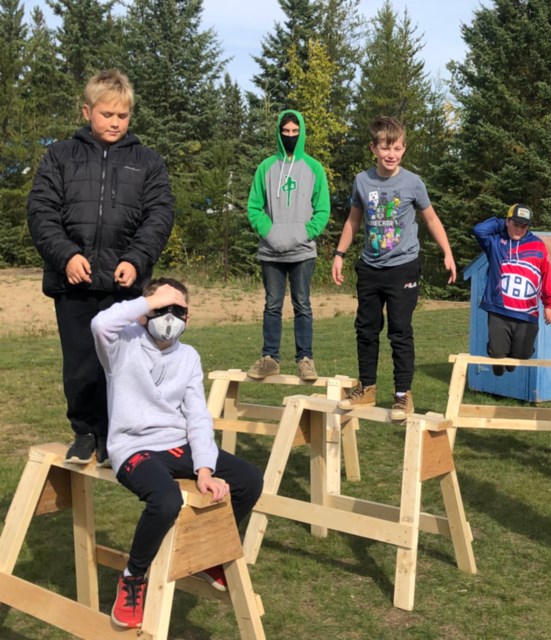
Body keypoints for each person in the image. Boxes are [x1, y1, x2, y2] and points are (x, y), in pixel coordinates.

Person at [91, 277, 264, 629]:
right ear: (143, 314)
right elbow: (99, 323)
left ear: (189, 315)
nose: (170, 316)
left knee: (248, 480)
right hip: (133, 446)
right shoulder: (121, 343)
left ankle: (206, 557)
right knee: (166, 501)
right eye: (161, 309)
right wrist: (148, 302)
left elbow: (198, 415)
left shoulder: (188, 356)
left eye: (178, 309)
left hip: (177, 443)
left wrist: (204, 467)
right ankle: (133, 577)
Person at [27, 69, 174, 467]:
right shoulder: (60, 156)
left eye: (122, 116)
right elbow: (41, 212)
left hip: (122, 288)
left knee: (123, 366)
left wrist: (135, 260)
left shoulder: (148, 162)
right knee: (80, 366)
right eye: (107, 114)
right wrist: (66, 256)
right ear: (87, 111)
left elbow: (159, 216)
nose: (114, 122)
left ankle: (115, 437)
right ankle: (84, 434)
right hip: (73, 284)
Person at [332, 116, 456, 420]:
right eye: (386, 148)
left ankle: (402, 395)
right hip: (370, 268)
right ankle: (367, 388)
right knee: (366, 329)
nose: (392, 154)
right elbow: (353, 220)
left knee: (400, 331)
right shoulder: (362, 181)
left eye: (397, 148)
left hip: (403, 267)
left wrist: (447, 252)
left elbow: (431, 219)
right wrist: (339, 254)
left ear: (404, 149)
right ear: (374, 148)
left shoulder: (412, 182)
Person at [246, 110, 331, 382]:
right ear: (279, 133)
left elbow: (322, 210)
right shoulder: (266, 168)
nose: (291, 136)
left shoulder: (314, 168)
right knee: (272, 305)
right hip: (271, 252)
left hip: (302, 252)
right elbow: (254, 207)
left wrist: (301, 234)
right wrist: (271, 233)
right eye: (286, 132)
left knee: (302, 305)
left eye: (295, 132)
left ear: (302, 133)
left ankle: (305, 359)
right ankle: (270, 358)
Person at [473, 204, 551, 376]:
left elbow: (546, 275)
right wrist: (500, 224)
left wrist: (549, 305)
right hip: (499, 309)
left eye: (523, 226)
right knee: (498, 353)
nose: (519, 229)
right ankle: (496, 356)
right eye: (515, 224)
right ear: (508, 221)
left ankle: (510, 358)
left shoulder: (537, 246)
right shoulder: (495, 242)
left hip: (527, 313)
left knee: (522, 356)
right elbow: (479, 230)